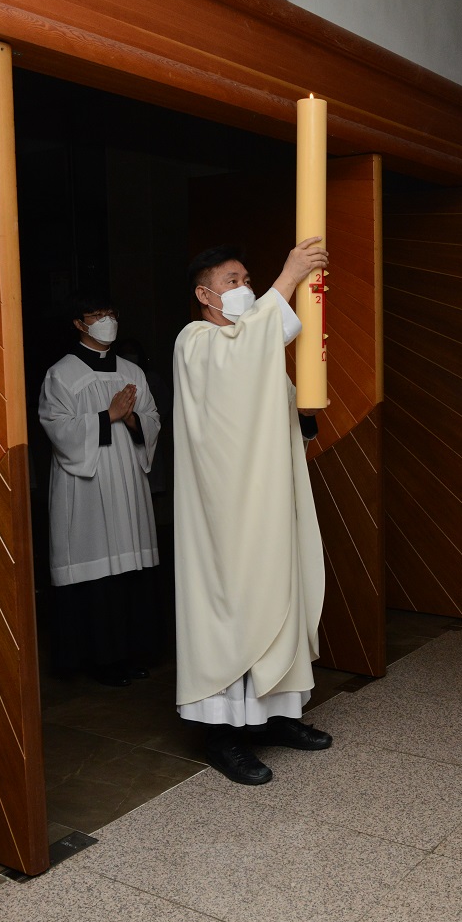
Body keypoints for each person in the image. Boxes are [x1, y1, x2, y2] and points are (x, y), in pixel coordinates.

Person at [172, 238, 334, 785]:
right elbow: (237, 365)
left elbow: (275, 412)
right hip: (225, 511)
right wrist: (289, 276)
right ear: (204, 295)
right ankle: (224, 736)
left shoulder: (251, 346)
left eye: (247, 280)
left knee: (278, 591)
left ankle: (277, 717)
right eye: (232, 282)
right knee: (234, 604)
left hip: (267, 501)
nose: (244, 288)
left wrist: (302, 411)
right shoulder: (196, 342)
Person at [38, 298, 162, 687]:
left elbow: (153, 419)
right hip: (86, 486)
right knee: (97, 573)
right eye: (97, 316)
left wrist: (133, 418)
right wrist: (107, 416)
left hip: (126, 479)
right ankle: (99, 659)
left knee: (128, 570)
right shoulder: (61, 374)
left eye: (112, 315)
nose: (107, 321)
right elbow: (57, 428)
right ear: (79, 323)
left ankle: (130, 652)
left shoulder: (131, 371)